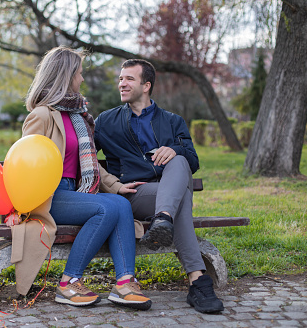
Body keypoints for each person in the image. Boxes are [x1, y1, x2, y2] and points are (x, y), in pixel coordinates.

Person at [19, 46, 151, 310]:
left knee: (121, 203)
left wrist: (116, 186)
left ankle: (125, 283)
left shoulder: (78, 117)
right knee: (105, 208)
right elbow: (24, 164)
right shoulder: (42, 116)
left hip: (74, 193)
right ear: (66, 77)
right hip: (49, 196)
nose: (82, 79)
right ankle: (68, 283)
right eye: (79, 74)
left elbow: (87, 162)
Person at [94, 59, 224, 314]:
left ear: (146, 85)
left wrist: (173, 149)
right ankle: (198, 283)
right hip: (136, 194)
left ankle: (163, 219)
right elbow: (85, 159)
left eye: (129, 79)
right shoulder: (107, 122)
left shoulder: (173, 121)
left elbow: (193, 161)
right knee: (181, 199)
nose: (122, 83)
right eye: (120, 78)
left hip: (167, 194)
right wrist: (114, 185)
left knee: (180, 161)